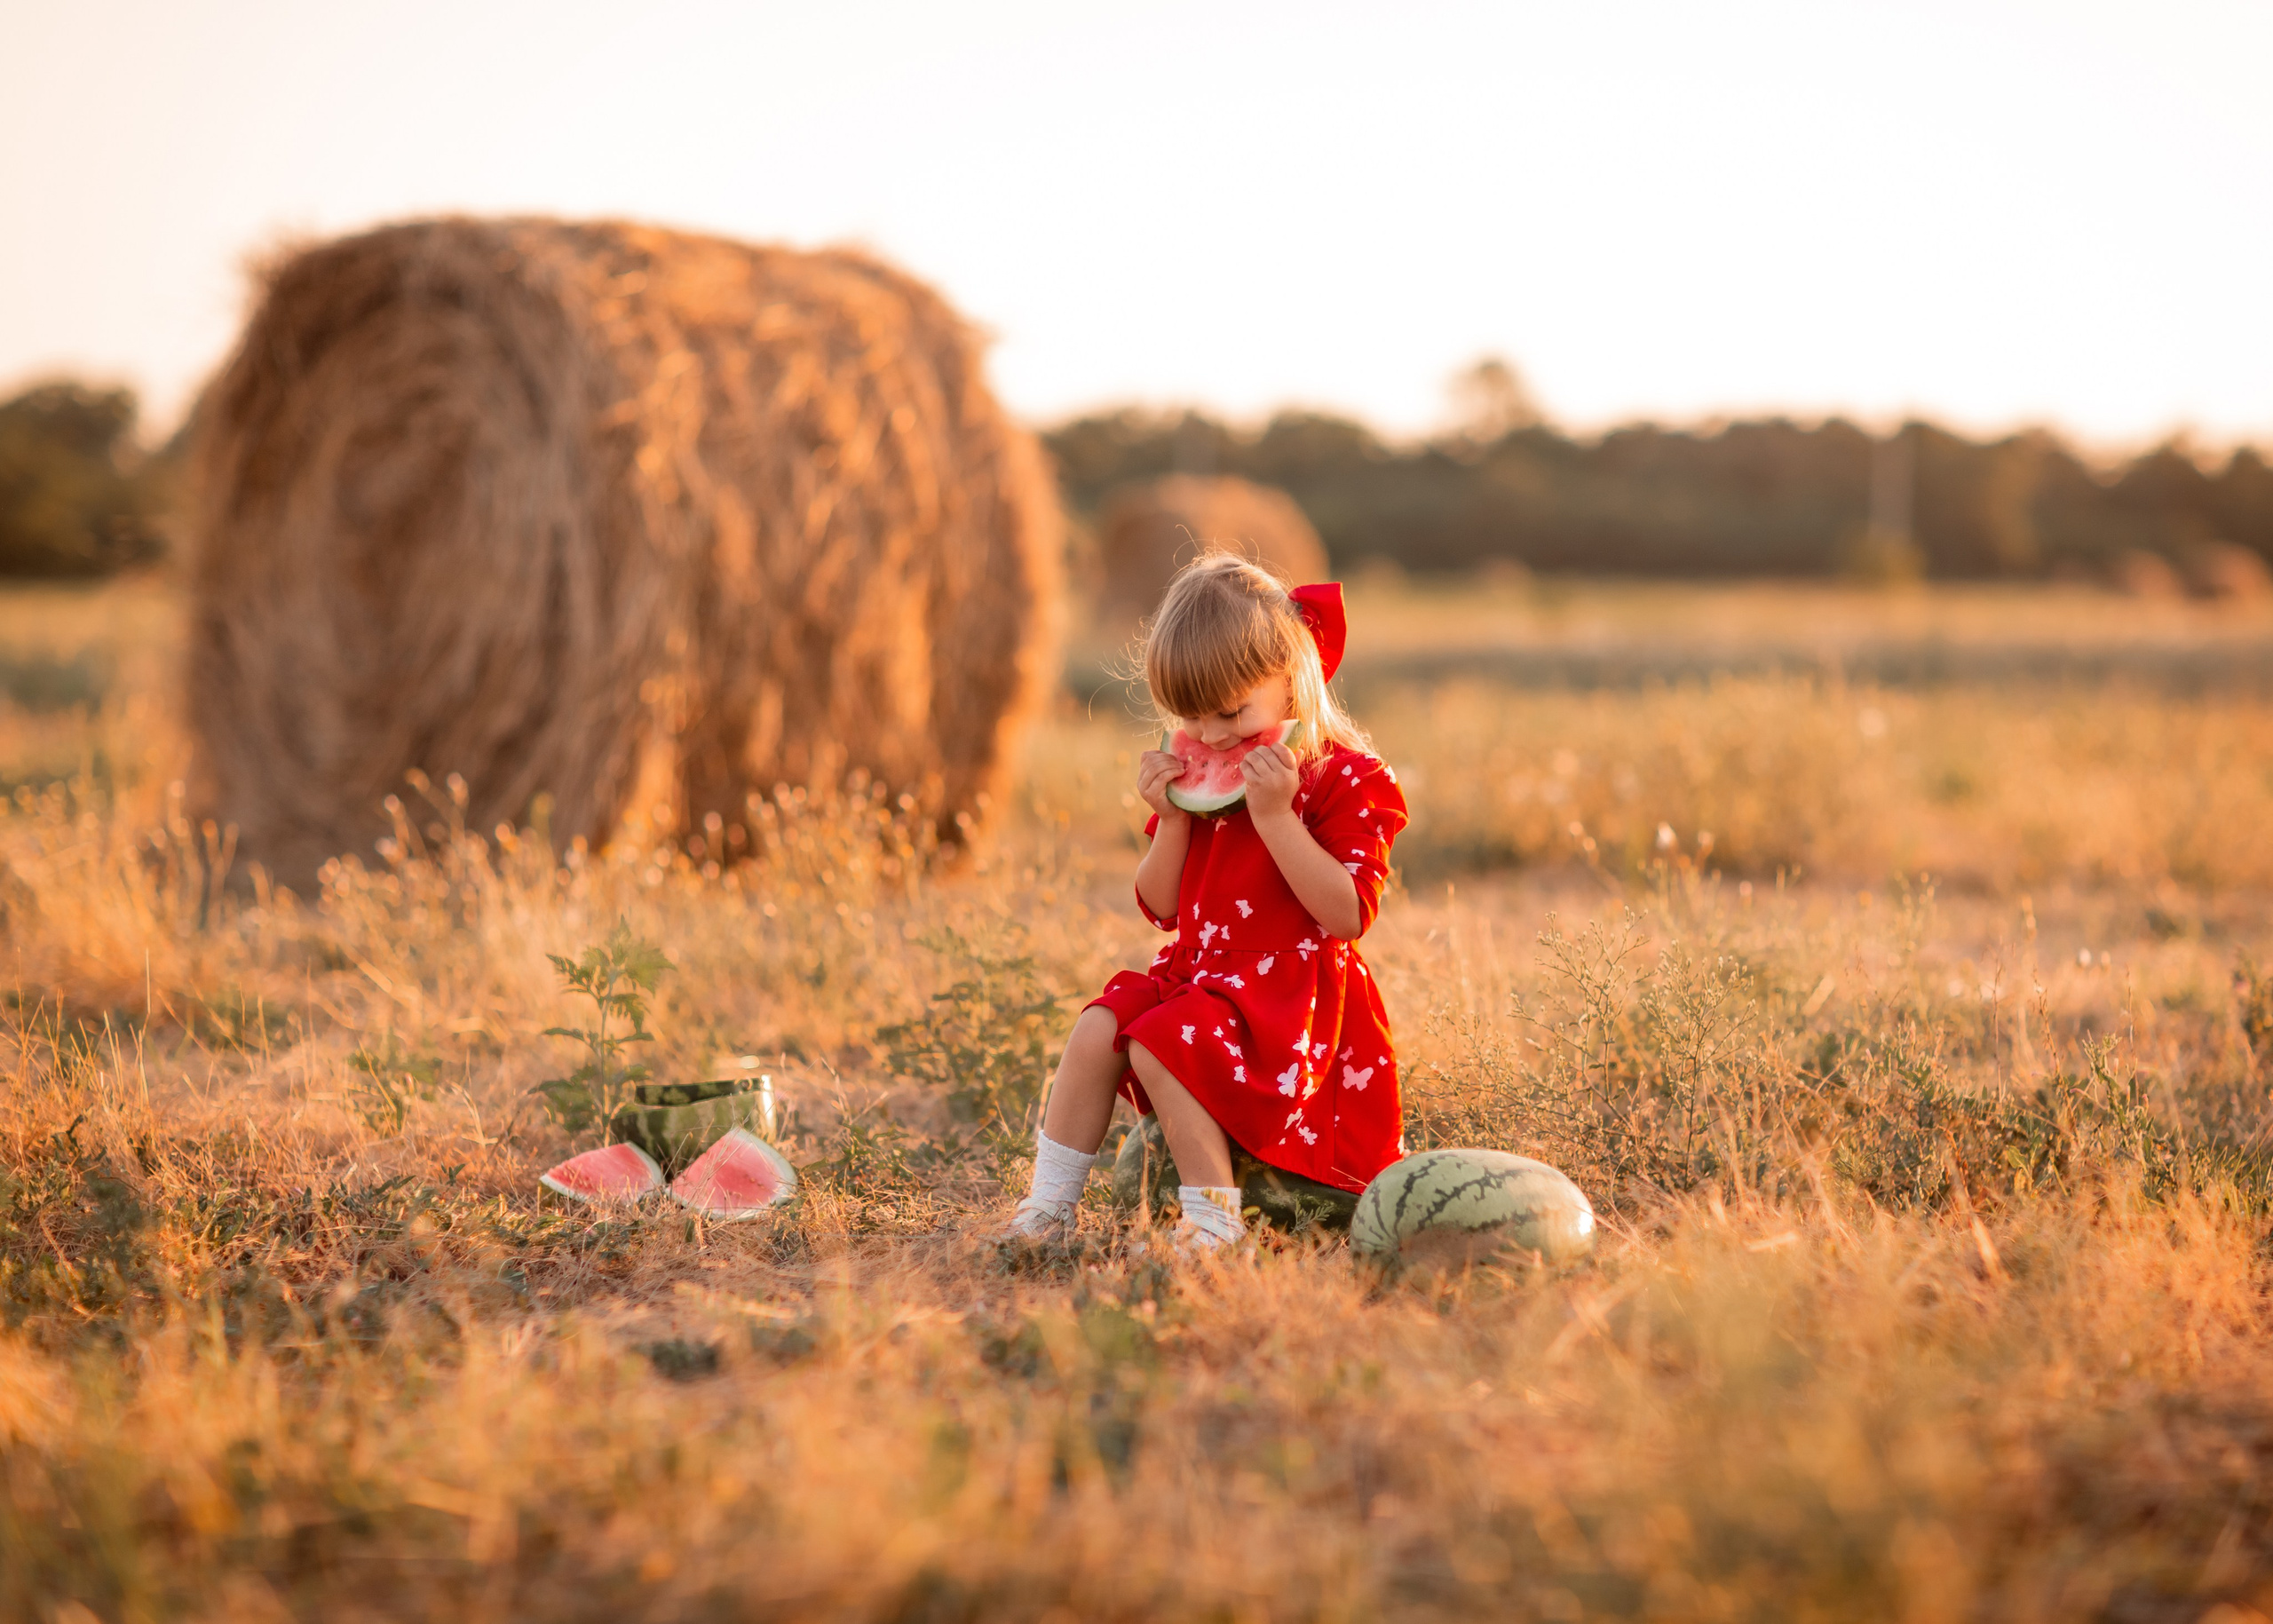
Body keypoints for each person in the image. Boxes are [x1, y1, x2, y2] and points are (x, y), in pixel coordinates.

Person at [1007, 552, 1409, 1250]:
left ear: (1292, 678)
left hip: (1289, 1002)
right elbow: (1159, 905)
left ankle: (1214, 1223)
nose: (1214, 736)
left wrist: (1278, 818)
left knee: (1168, 1042)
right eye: (1191, 716)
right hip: (1198, 977)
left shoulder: (1348, 776)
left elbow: (1347, 915)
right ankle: (1046, 1210)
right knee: (1097, 1028)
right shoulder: (1199, 779)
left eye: (1232, 711)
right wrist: (1173, 817)